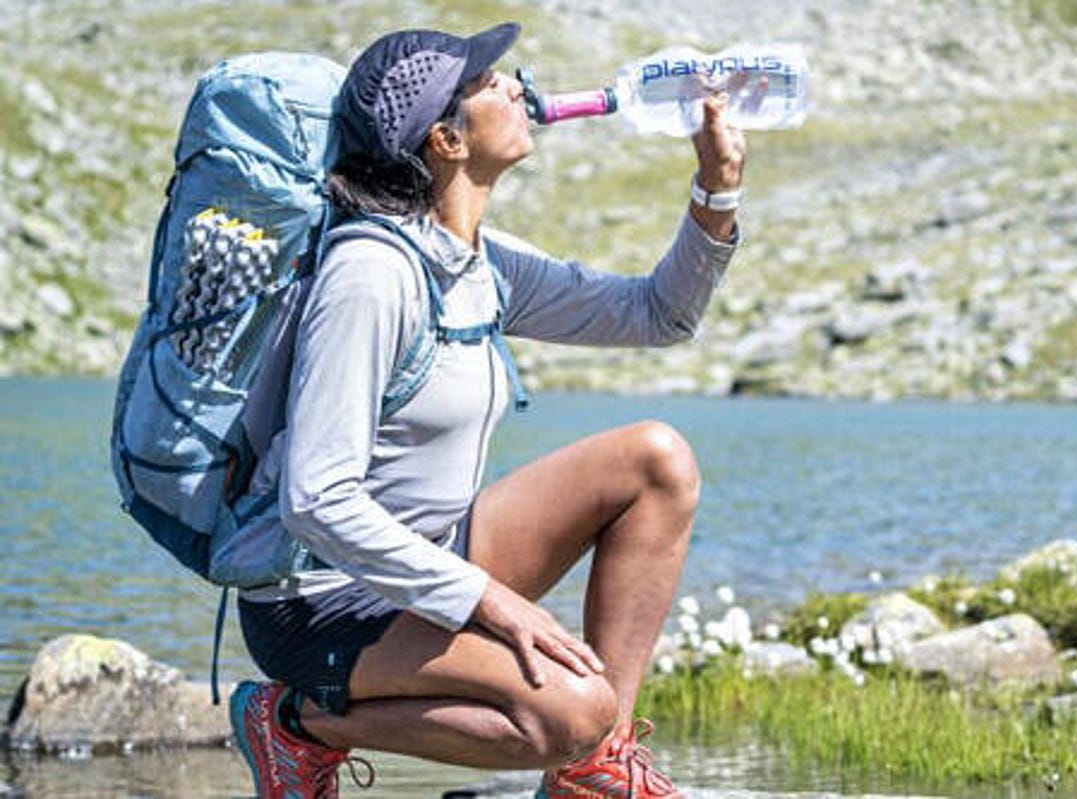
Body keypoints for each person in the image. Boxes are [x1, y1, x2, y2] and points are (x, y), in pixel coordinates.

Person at [228, 20, 745, 799]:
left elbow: (657, 315)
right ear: (446, 138)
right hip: (323, 601)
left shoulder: (479, 260)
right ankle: (296, 721)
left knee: (657, 461)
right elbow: (316, 498)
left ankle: (593, 775)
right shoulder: (369, 274)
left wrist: (717, 189)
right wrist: (493, 603)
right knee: (571, 707)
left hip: (431, 556)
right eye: (487, 81)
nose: (515, 84)